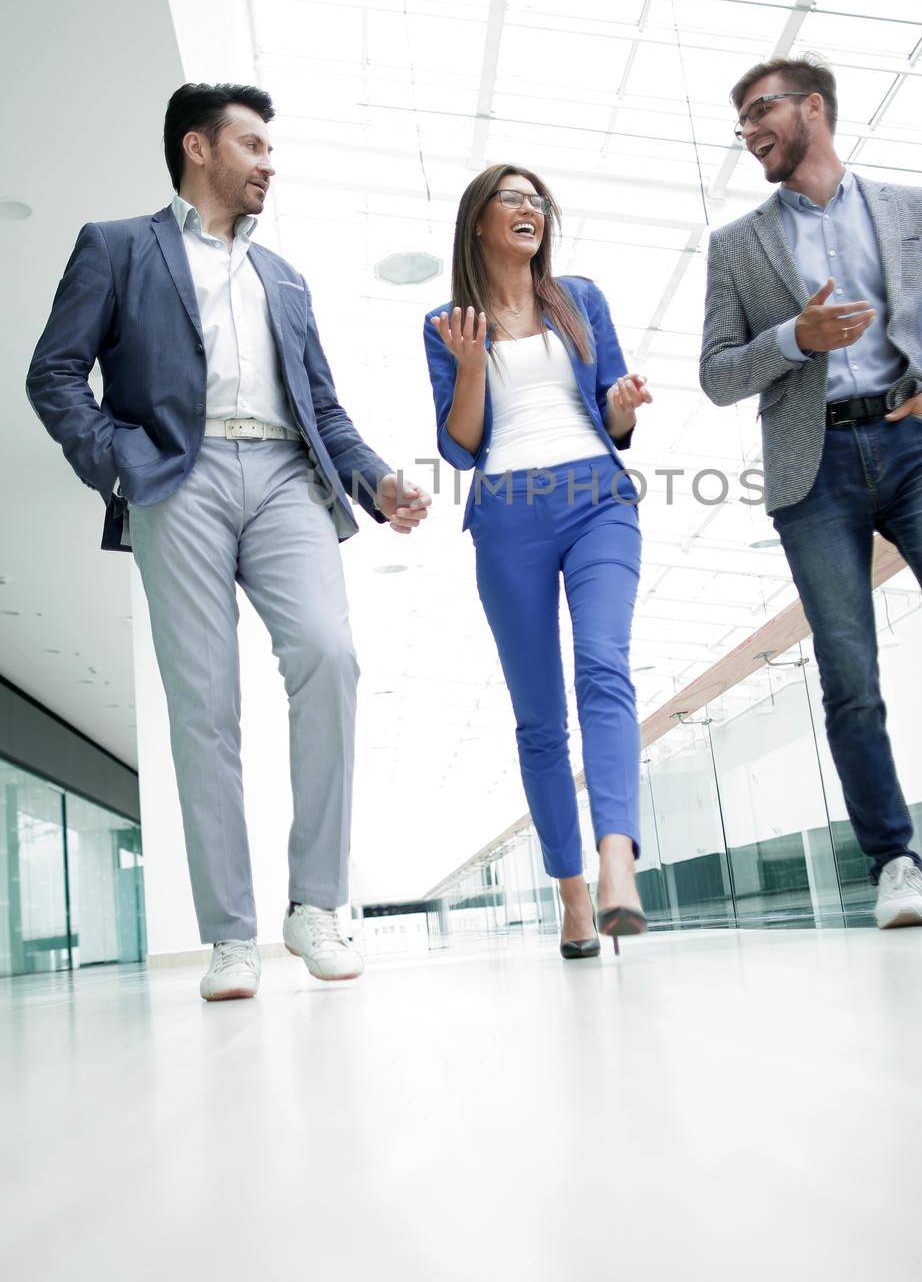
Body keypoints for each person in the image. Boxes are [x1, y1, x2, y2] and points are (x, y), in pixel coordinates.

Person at [27, 83, 430, 1000]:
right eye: (252, 145)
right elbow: (53, 373)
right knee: (204, 705)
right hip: (179, 474)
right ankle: (230, 936)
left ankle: (317, 904)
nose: (268, 163)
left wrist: (377, 485)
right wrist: (115, 463)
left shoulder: (282, 276)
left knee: (329, 657)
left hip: (287, 474)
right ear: (197, 149)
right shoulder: (119, 245)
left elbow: (321, 404)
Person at [700, 53, 922, 929]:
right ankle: (893, 863)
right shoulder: (736, 246)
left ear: (811, 109)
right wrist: (795, 335)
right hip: (813, 463)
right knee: (848, 671)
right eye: (740, 120)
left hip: (917, 441)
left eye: (759, 112)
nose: (749, 132)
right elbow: (716, 376)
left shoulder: (910, 209)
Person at [424, 165, 651, 956]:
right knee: (539, 722)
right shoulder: (448, 323)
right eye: (511, 199)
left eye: (537, 200)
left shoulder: (579, 299)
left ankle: (616, 858)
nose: (530, 210)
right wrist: (473, 365)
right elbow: (458, 448)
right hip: (507, 514)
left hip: (598, 499)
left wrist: (620, 408)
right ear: (478, 220)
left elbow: (615, 416)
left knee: (603, 666)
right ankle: (573, 897)